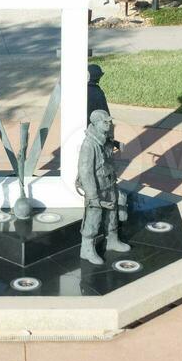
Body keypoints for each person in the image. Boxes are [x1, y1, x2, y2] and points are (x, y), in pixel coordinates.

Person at [76, 110, 129, 264]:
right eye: (105, 122)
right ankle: (86, 249)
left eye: (109, 121)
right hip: (97, 188)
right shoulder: (89, 145)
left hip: (109, 183)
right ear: (95, 123)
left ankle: (112, 240)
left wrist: (117, 144)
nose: (109, 124)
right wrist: (92, 196)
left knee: (112, 213)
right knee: (93, 218)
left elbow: (109, 145)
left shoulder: (104, 138)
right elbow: (85, 172)